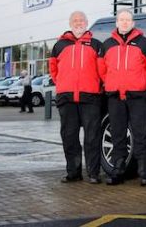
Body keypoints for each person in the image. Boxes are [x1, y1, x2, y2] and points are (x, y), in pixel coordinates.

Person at [100, 9, 146, 186]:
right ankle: (117, 171)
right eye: (121, 20)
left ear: (133, 23)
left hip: (137, 96)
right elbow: (101, 70)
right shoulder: (107, 44)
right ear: (116, 23)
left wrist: (142, 84)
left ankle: (144, 173)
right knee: (118, 135)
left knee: (141, 134)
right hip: (115, 96)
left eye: (128, 20)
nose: (124, 23)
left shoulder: (144, 43)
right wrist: (110, 82)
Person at [49, 11, 104, 184]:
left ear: (87, 23)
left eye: (81, 20)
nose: (78, 23)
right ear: (70, 23)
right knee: (69, 136)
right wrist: (63, 84)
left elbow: (102, 70)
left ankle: (94, 174)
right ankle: (73, 173)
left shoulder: (96, 44)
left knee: (92, 137)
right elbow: (53, 70)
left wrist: (96, 85)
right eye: (75, 20)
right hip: (67, 98)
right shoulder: (59, 45)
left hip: (91, 97)